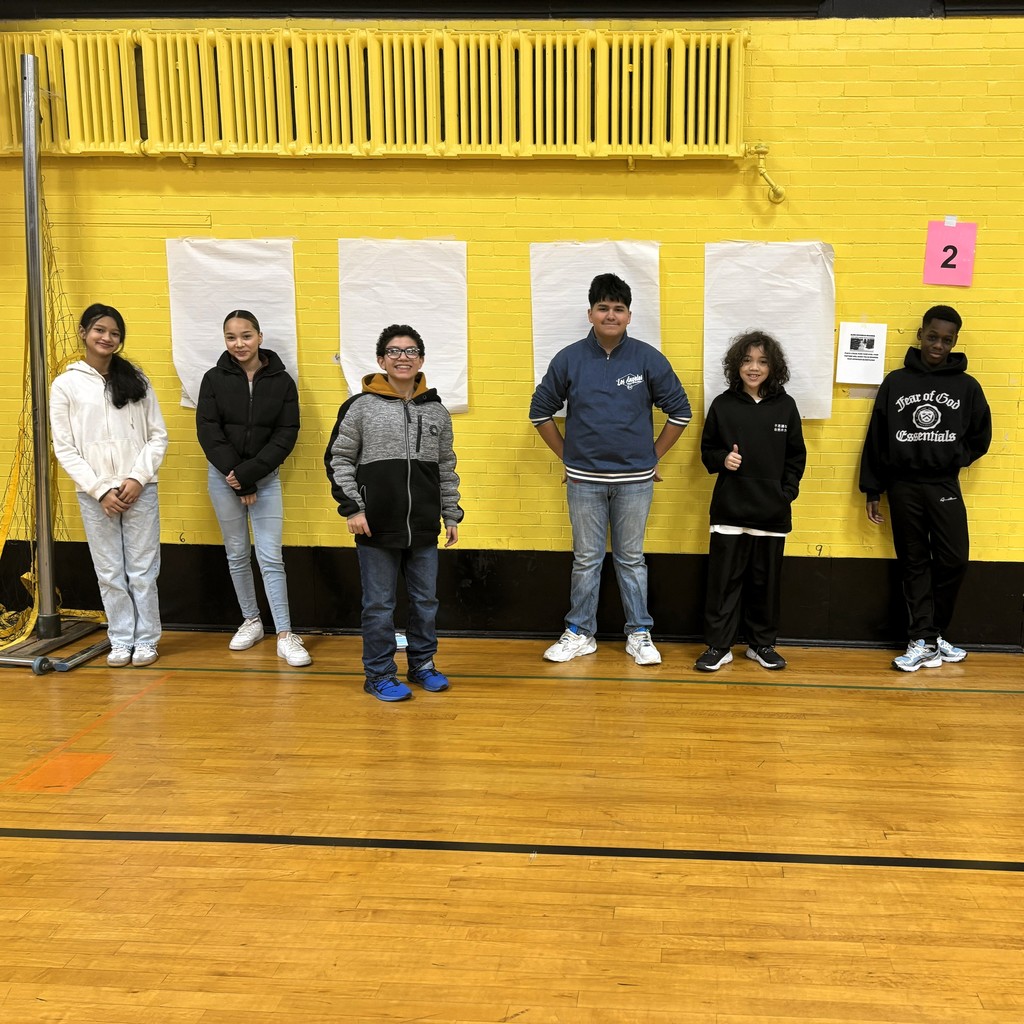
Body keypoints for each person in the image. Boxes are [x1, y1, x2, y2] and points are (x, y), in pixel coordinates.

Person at [529, 273, 692, 665]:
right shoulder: (569, 359)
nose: (610, 315)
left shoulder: (647, 359)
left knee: (631, 559)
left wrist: (652, 456)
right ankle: (580, 632)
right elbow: (539, 412)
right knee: (586, 559)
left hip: (635, 482)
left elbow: (681, 412)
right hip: (584, 481)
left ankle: (639, 632)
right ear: (590, 313)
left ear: (629, 316)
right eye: (602, 308)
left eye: (618, 309)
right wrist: (568, 457)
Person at [324, 324, 463, 702]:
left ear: (421, 359)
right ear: (381, 360)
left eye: (411, 351)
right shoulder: (360, 407)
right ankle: (379, 674)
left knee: (426, 603)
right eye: (394, 351)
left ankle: (422, 665)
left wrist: (450, 514)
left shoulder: (437, 412)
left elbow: (446, 467)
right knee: (379, 606)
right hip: (375, 527)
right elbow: (338, 459)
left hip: (423, 528)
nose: (403, 357)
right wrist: (353, 508)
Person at [859, 304, 991, 672]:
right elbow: (877, 439)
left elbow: (981, 435)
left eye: (946, 340)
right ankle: (922, 639)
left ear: (954, 342)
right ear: (921, 335)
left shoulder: (967, 386)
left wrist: (954, 457)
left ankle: (934, 633)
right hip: (903, 486)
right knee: (914, 562)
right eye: (932, 336)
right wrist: (873, 489)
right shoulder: (896, 382)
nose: (938, 345)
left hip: (943, 483)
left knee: (954, 559)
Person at [50, 303, 168, 667]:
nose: (107, 337)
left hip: (140, 491)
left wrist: (137, 478)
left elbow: (157, 436)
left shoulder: (137, 380)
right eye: (100, 330)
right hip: (95, 496)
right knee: (110, 572)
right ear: (84, 333)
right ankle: (120, 639)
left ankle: (146, 640)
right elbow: (64, 447)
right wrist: (99, 489)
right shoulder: (65, 384)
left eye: (114, 333)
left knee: (143, 571)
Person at [195, 310, 311, 667]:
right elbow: (208, 429)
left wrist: (250, 474)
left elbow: (286, 433)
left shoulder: (282, 381)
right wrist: (236, 476)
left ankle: (285, 634)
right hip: (223, 478)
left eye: (246, 336)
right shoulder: (213, 379)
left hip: (265, 478)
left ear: (259, 337)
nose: (239, 343)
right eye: (231, 337)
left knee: (271, 556)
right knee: (236, 553)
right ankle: (251, 620)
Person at [694, 331, 806, 672]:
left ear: (773, 367)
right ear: (736, 365)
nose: (753, 368)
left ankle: (761, 645)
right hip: (729, 509)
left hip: (771, 513)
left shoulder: (786, 406)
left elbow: (796, 457)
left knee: (765, 584)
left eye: (761, 361)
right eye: (747, 361)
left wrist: (785, 493)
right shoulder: (723, 404)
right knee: (723, 583)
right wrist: (722, 460)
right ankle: (719, 646)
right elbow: (707, 451)